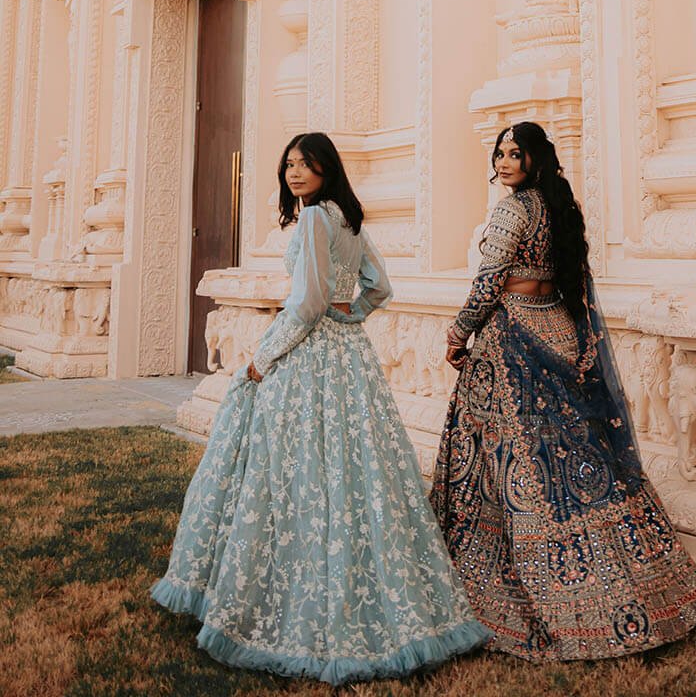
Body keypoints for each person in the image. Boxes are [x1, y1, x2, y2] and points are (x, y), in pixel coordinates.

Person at [152, 132, 488, 684]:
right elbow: (380, 286)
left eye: (306, 164)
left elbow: (307, 304)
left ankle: (288, 599)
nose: (295, 173)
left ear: (326, 169)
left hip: (308, 353)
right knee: (352, 471)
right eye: (289, 164)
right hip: (349, 356)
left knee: (295, 469)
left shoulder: (313, 218)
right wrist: (350, 314)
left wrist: (264, 356)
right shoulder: (346, 219)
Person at [431, 121, 696, 661]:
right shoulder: (561, 207)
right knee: (581, 459)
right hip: (558, 328)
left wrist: (457, 332)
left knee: (517, 465)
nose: (504, 163)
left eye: (515, 154)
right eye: (499, 154)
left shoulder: (513, 210)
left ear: (535, 159)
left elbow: (489, 282)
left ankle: (545, 589)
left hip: (513, 337)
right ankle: (637, 578)